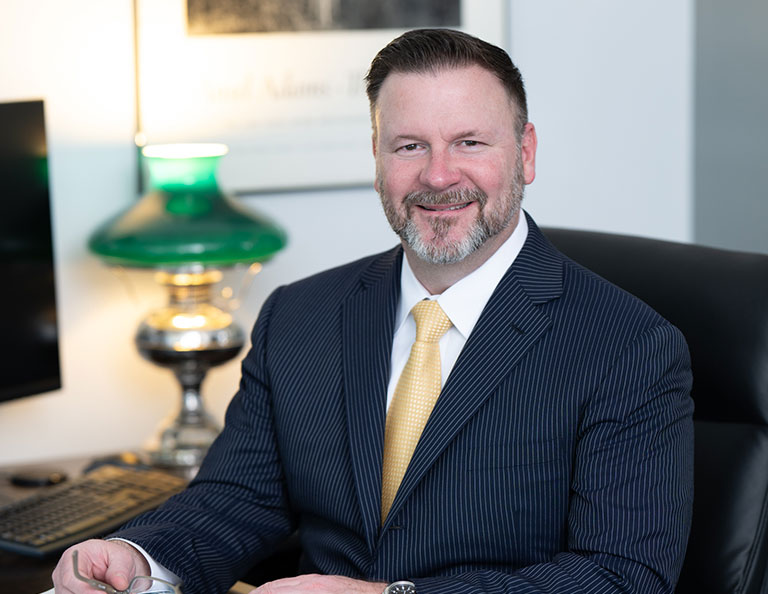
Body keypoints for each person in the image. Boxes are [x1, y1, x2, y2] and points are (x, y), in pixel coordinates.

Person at [52, 28, 694, 594]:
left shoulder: (628, 347)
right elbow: (237, 498)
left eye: (470, 142)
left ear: (525, 152)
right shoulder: (298, 316)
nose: (440, 177)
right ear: (378, 155)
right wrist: (138, 555)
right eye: (410, 146)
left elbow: (622, 574)